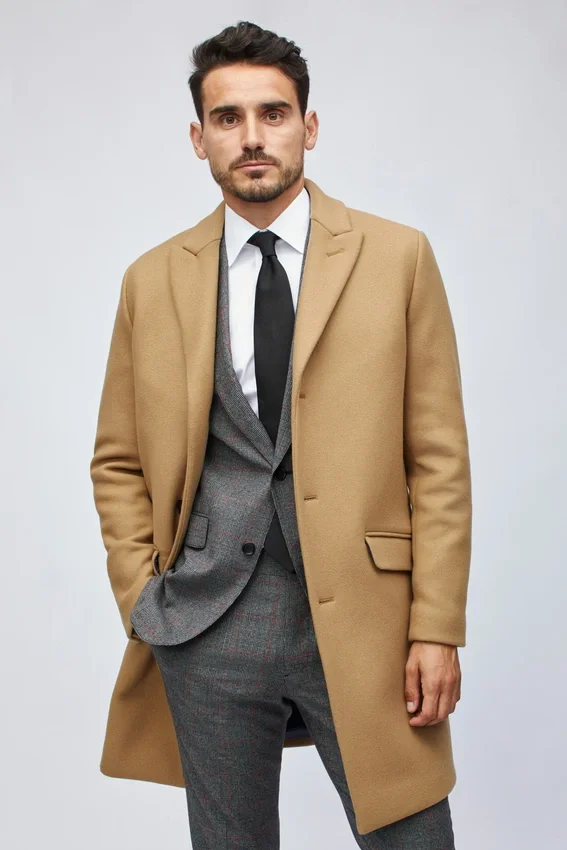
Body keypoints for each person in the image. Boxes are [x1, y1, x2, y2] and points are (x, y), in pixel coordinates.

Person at [90, 19, 472, 850]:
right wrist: (142, 597)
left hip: (369, 618)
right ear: (199, 138)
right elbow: (117, 459)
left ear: (309, 125)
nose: (253, 137)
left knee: (413, 838)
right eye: (227, 118)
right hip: (206, 623)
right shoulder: (152, 280)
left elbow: (438, 459)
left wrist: (436, 625)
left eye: (273, 112)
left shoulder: (396, 257)